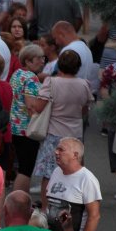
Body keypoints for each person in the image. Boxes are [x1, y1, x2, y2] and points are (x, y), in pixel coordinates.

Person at [35, 49, 94, 191]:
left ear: (59, 65)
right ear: (78, 67)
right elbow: (84, 109)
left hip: (54, 132)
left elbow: (39, 107)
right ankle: (72, 206)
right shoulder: (84, 84)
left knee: (49, 174)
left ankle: (46, 208)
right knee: (73, 173)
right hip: (75, 134)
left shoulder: (51, 82)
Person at [44, 137, 102, 231]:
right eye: (56, 149)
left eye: (61, 150)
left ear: (75, 155)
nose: (56, 152)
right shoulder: (56, 172)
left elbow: (94, 216)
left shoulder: (87, 179)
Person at [10, 43, 47, 193]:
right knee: (26, 169)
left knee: (22, 166)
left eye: (43, 58)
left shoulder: (17, 74)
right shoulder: (31, 79)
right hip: (27, 129)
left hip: (15, 126)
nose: (42, 61)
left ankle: (16, 200)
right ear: (27, 61)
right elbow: (31, 106)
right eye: (38, 58)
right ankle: (19, 201)